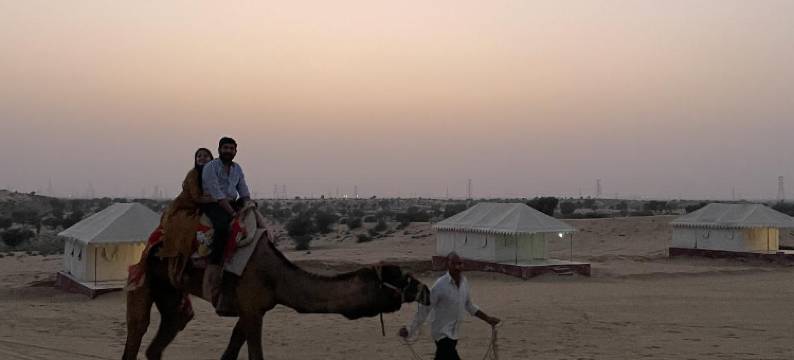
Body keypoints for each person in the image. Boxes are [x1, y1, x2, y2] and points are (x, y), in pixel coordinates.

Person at [399, 252, 500, 360]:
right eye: (454, 264)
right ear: (448, 265)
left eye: (460, 263)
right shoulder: (440, 285)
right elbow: (425, 309)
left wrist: (488, 319)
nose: (458, 267)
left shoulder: (464, 282)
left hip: (454, 333)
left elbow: (469, 305)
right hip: (441, 334)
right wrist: (410, 330)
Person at [200, 136, 251, 302]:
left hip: (231, 202)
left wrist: (248, 204)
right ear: (219, 150)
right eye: (225, 148)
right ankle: (214, 267)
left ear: (236, 151)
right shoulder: (211, 167)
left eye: (231, 148)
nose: (228, 151)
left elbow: (243, 190)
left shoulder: (237, 169)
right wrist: (233, 213)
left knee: (254, 225)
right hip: (214, 204)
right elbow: (217, 193)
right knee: (222, 228)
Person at [157, 148, 216, 261]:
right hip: (184, 208)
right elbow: (197, 197)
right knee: (191, 227)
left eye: (206, 156)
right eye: (199, 156)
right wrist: (216, 199)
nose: (202, 158)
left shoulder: (213, 175)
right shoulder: (193, 174)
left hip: (201, 207)